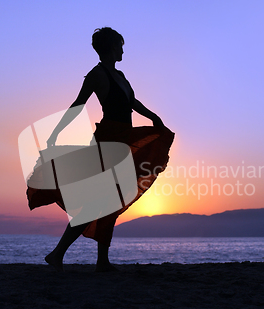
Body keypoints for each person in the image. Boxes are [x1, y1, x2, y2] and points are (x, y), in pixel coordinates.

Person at [26, 27, 174, 272]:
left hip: (124, 141)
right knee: (99, 201)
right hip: (108, 142)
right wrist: (55, 133)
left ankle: (95, 259)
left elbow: (132, 102)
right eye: (120, 45)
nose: (123, 49)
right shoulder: (96, 74)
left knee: (112, 200)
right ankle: (62, 254)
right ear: (111, 47)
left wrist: (153, 117)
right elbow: (78, 105)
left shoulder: (121, 76)